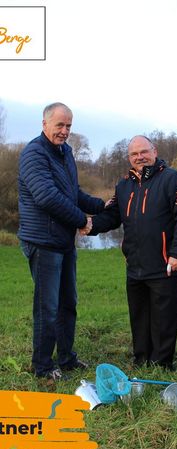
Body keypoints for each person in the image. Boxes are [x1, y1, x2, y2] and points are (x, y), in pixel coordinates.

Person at [81, 135, 177, 370]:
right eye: (134, 154)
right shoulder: (124, 184)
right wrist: (91, 226)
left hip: (164, 261)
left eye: (144, 152)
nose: (140, 157)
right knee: (139, 314)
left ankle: (162, 363)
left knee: (164, 316)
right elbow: (113, 215)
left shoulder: (174, 179)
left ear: (154, 151)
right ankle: (141, 358)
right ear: (129, 158)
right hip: (134, 263)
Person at [18, 102, 106, 381]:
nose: (65, 131)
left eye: (68, 126)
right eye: (60, 125)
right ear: (45, 124)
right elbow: (47, 197)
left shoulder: (65, 152)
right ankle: (43, 365)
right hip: (43, 243)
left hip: (63, 241)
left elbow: (71, 192)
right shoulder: (34, 153)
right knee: (48, 307)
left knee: (69, 303)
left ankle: (66, 358)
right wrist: (82, 220)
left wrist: (101, 205)